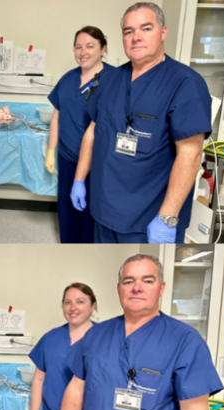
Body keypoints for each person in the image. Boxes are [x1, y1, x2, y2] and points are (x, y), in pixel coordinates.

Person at [52, 254, 223, 410]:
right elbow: (77, 388)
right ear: (119, 288)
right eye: (129, 281)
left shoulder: (185, 341)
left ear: (161, 287)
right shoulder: (95, 335)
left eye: (148, 281)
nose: (137, 288)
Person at [70, 2, 212, 244]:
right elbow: (93, 131)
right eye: (128, 31)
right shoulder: (108, 80)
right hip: (104, 210)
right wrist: (79, 179)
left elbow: (191, 152)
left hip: (148, 220)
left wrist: (167, 217)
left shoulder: (185, 83)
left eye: (146, 28)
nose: (135, 37)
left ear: (163, 31)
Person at [46, 27, 114, 243]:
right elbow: (56, 117)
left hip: (99, 163)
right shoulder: (68, 79)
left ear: (103, 49)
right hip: (67, 158)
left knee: (92, 218)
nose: (83, 52)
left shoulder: (115, 79)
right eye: (78, 47)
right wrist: (50, 151)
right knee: (67, 215)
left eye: (90, 46)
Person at [28, 283, 97, 410]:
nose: (73, 307)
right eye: (68, 302)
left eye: (80, 302)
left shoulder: (104, 338)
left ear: (93, 306)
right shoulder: (51, 338)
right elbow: (39, 378)